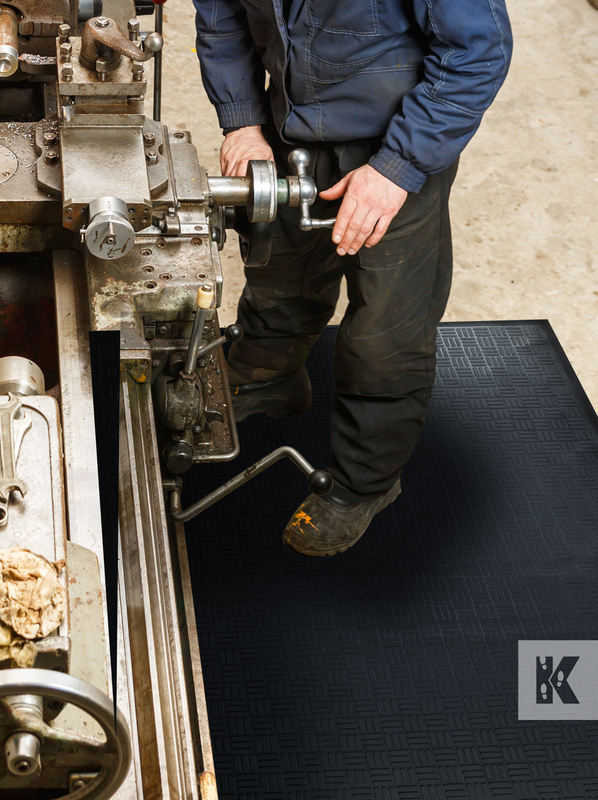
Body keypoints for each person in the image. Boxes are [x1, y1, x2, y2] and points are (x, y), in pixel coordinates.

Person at [193, 0, 513, 556]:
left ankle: (365, 482)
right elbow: (221, 13)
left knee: (386, 332)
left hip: (397, 142)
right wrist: (243, 121)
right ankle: (270, 377)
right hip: (286, 127)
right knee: (278, 275)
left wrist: (397, 168)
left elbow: (477, 51)